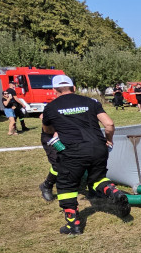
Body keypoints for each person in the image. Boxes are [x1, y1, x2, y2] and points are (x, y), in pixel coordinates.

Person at [41, 74, 130, 234]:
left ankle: (73, 225)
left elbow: (47, 131)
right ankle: (115, 192)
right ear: (73, 88)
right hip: (98, 147)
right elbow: (109, 124)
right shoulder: (91, 102)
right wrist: (108, 140)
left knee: (66, 185)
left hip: (73, 150)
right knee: (97, 179)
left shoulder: (50, 107)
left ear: (54, 90)